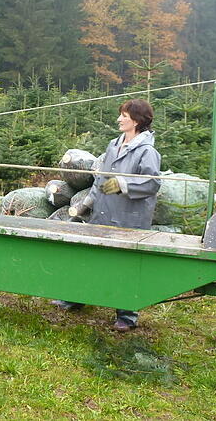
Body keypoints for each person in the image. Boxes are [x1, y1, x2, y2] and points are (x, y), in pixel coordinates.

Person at [53, 99, 162, 332]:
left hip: (128, 218)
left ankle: (127, 315)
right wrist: (86, 203)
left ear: (137, 121)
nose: (119, 119)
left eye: (124, 116)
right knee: (91, 257)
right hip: (103, 212)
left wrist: (123, 184)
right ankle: (76, 297)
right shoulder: (114, 145)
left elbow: (152, 184)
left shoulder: (147, 152)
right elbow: (101, 179)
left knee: (125, 266)